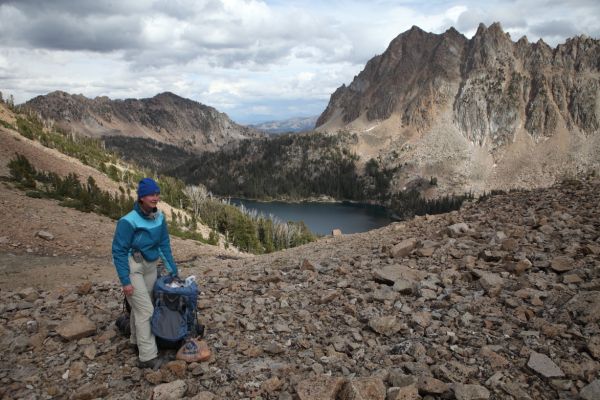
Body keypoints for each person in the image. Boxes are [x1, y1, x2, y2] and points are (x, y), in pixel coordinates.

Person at [112, 177, 179, 370]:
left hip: (150, 265)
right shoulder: (128, 221)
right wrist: (125, 280)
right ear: (141, 197)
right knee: (146, 311)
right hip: (133, 266)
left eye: (157, 194)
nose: (155, 198)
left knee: (142, 307)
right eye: (151, 194)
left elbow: (163, 244)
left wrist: (173, 269)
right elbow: (118, 251)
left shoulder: (159, 218)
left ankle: (135, 340)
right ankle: (148, 357)